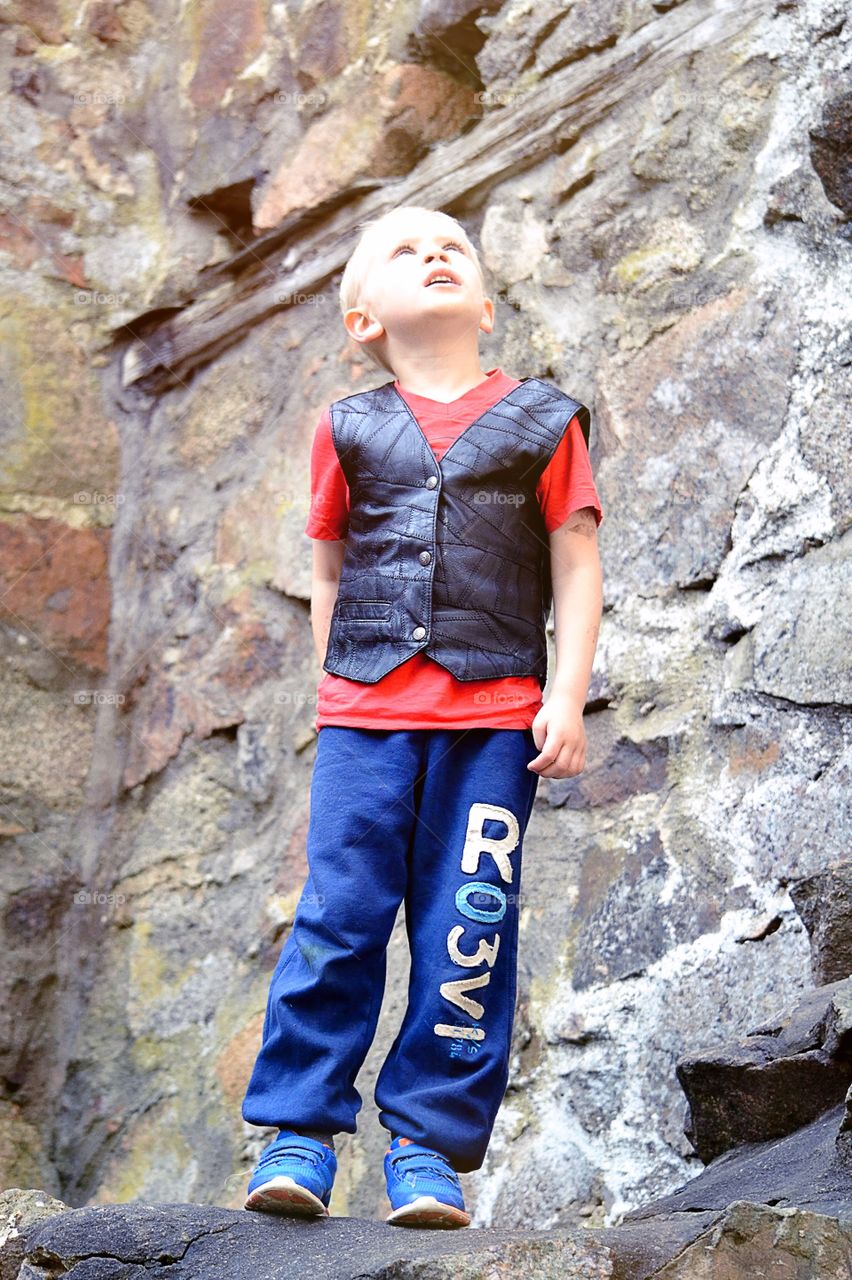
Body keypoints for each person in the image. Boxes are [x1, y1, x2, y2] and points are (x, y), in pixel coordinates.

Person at [241, 205, 603, 1229]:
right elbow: (327, 566)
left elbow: (578, 562)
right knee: (340, 916)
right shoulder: (345, 428)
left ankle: (429, 1146)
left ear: (487, 304)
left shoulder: (545, 419)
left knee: (468, 928)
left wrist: (565, 695)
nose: (435, 252)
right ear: (364, 316)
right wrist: (336, 692)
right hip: (366, 718)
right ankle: (300, 1128)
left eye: (454, 247)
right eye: (404, 249)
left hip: (495, 721)